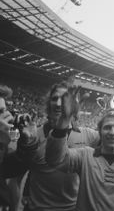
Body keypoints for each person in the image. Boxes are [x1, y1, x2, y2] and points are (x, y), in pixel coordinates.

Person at [18, 81, 100, 211]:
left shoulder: (88, 136)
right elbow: (21, 169)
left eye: (64, 99)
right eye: (55, 98)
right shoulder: (34, 134)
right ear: (48, 103)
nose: (58, 103)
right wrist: (24, 144)